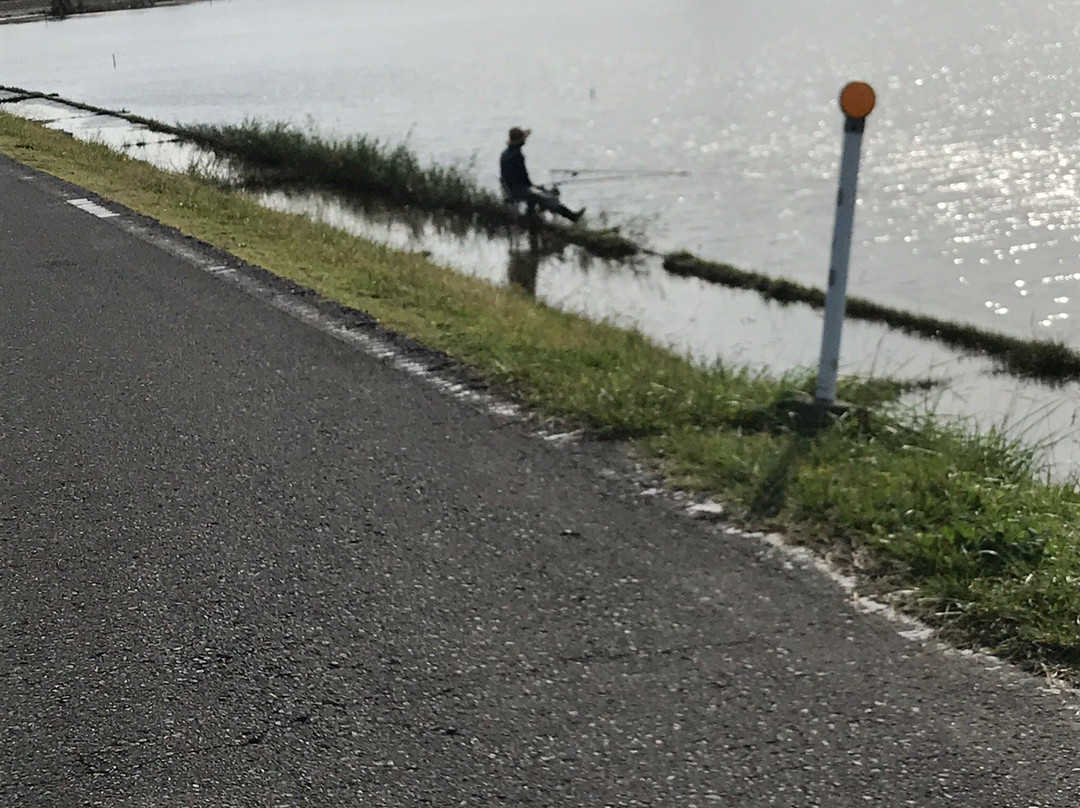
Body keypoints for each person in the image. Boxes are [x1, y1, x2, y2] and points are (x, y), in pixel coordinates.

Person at [500, 127, 585, 223]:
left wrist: (533, 186)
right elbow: (523, 178)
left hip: (509, 189)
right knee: (547, 198)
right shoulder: (517, 155)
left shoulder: (504, 154)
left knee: (541, 191)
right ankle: (572, 217)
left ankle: (531, 216)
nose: (525, 140)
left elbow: (512, 177)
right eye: (523, 139)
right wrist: (532, 186)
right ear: (519, 141)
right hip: (517, 190)